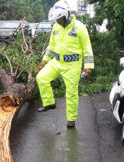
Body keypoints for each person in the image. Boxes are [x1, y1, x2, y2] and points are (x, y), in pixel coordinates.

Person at [36, 0, 94, 128]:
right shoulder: (56, 27)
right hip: (56, 62)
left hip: (72, 65)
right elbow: (51, 46)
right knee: (41, 77)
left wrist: (88, 66)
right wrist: (44, 60)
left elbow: (87, 48)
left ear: (66, 15)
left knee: (71, 92)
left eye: (59, 20)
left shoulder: (80, 27)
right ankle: (49, 103)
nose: (57, 22)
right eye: (55, 20)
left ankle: (71, 120)